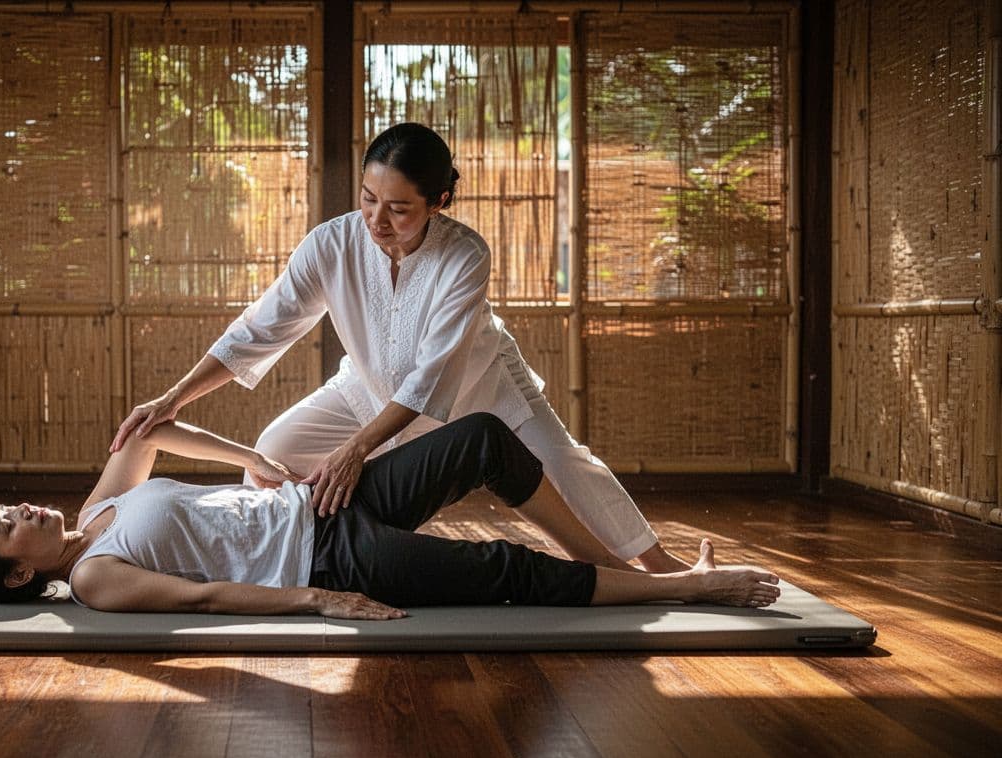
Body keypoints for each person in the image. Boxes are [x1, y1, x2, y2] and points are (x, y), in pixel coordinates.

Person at [111, 122, 689, 574]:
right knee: (276, 450)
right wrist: (173, 399)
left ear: (439, 201)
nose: (377, 220)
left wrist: (357, 450)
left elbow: (431, 377)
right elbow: (258, 329)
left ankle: (656, 568)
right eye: (368, 199)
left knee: (560, 465)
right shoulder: (331, 245)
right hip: (366, 387)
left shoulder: (465, 256)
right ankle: (294, 557)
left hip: (480, 386)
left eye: (399, 208)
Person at [0, 413, 780, 618]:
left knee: (482, 438)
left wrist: (252, 458)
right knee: (505, 570)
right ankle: (685, 590)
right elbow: (206, 599)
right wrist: (317, 600)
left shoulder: (99, 507)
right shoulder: (93, 578)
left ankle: (624, 564)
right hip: (332, 560)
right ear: (21, 571)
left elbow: (150, 430)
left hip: (323, 499)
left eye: (5, 508)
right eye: (7, 526)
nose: (19, 509)